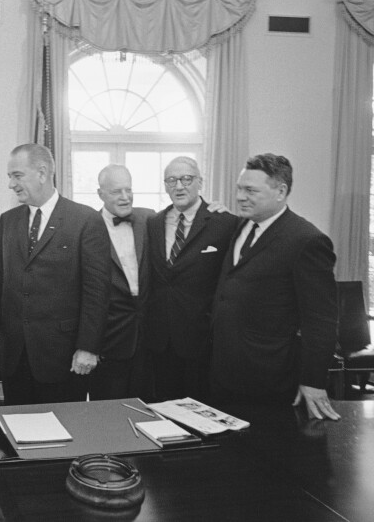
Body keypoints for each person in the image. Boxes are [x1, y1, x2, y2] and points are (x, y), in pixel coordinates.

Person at [211, 153, 340, 420]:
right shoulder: (243, 226)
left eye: (250, 190)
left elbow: (321, 320)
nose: (240, 197)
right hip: (225, 373)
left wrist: (314, 381)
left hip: (270, 378)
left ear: (280, 191)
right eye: (239, 189)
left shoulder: (307, 241)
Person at [0, 143, 110, 405]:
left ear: (43, 172)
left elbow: (97, 292)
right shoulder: (8, 221)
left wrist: (88, 347)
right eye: (10, 176)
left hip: (64, 357)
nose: (11, 184)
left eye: (17, 175)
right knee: (17, 433)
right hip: (15, 358)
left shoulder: (85, 220)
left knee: (64, 435)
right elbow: (2, 283)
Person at [146, 157, 237, 402]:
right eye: (172, 180)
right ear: (165, 185)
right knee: (165, 411)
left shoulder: (225, 223)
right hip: (161, 340)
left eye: (187, 179)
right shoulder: (153, 223)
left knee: (205, 412)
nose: (179, 186)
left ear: (200, 183)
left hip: (204, 339)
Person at [92, 165, 154, 400]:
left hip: (150, 338)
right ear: (101, 194)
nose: (125, 197)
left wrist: (215, 209)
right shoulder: (87, 226)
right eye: (117, 191)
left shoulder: (150, 218)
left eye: (129, 189)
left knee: (150, 410)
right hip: (109, 338)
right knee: (108, 412)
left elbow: (186, 220)